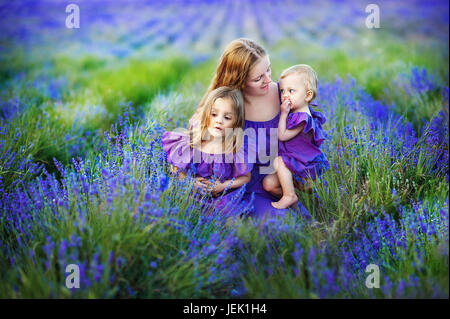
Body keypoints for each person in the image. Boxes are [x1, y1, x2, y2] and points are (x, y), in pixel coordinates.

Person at [191, 38, 306, 218]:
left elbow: (304, 140)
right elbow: (197, 151)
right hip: (240, 184)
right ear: (239, 81)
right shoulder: (224, 108)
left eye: (268, 69)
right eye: (258, 78)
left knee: (286, 227)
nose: (268, 79)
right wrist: (194, 181)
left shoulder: (284, 97)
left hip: (277, 181)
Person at [162, 86, 253, 216]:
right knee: (180, 206)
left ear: (236, 122)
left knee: (226, 213)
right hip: (193, 191)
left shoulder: (233, 149)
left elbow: (246, 177)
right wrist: (190, 182)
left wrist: (223, 186)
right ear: (206, 114)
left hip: (221, 196)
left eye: (227, 117)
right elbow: (175, 169)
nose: (219, 121)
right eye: (214, 114)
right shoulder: (193, 142)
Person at [264, 64, 329, 209]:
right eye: (282, 91)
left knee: (278, 162)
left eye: (291, 91)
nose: (285, 95)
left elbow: (282, 135)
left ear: (308, 95)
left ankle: (289, 195)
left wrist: (284, 114)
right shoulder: (297, 112)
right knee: (268, 184)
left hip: (302, 163)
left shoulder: (303, 118)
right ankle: (297, 207)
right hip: (292, 161)